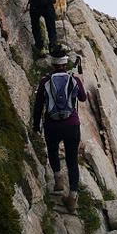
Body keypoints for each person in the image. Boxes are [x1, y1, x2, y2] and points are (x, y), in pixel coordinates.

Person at [33, 54, 87, 211]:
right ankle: (72, 198)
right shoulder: (74, 79)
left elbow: (38, 106)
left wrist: (36, 126)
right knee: (72, 160)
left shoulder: (45, 81)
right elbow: (83, 98)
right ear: (65, 64)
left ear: (52, 64)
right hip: (72, 125)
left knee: (53, 150)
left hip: (52, 125)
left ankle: (58, 179)